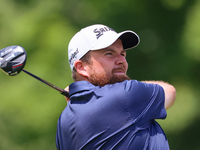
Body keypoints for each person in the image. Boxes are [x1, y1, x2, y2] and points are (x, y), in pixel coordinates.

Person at [56, 24, 176, 150]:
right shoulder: (126, 95)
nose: (121, 60)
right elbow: (169, 91)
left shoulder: (63, 122)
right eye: (109, 53)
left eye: (122, 54)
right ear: (81, 67)